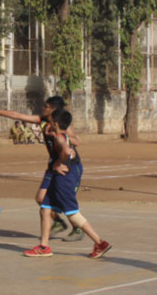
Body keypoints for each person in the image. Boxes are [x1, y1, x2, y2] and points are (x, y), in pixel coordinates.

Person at [0, 97, 83, 241]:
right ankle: (58, 222)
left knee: (63, 199)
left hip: (68, 166)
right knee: (40, 198)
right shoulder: (42, 121)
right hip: (53, 165)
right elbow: (16, 115)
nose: (43, 108)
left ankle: (77, 228)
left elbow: (76, 140)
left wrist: (65, 142)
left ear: (53, 110)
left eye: (46, 106)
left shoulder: (62, 125)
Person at [23, 110, 111, 259]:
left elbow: (64, 151)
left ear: (56, 124)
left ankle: (100, 242)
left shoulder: (59, 138)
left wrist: (57, 163)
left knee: (72, 214)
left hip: (63, 179)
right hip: (60, 178)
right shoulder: (63, 135)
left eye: (51, 122)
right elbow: (69, 150)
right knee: (45, 208)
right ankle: (44, 246)